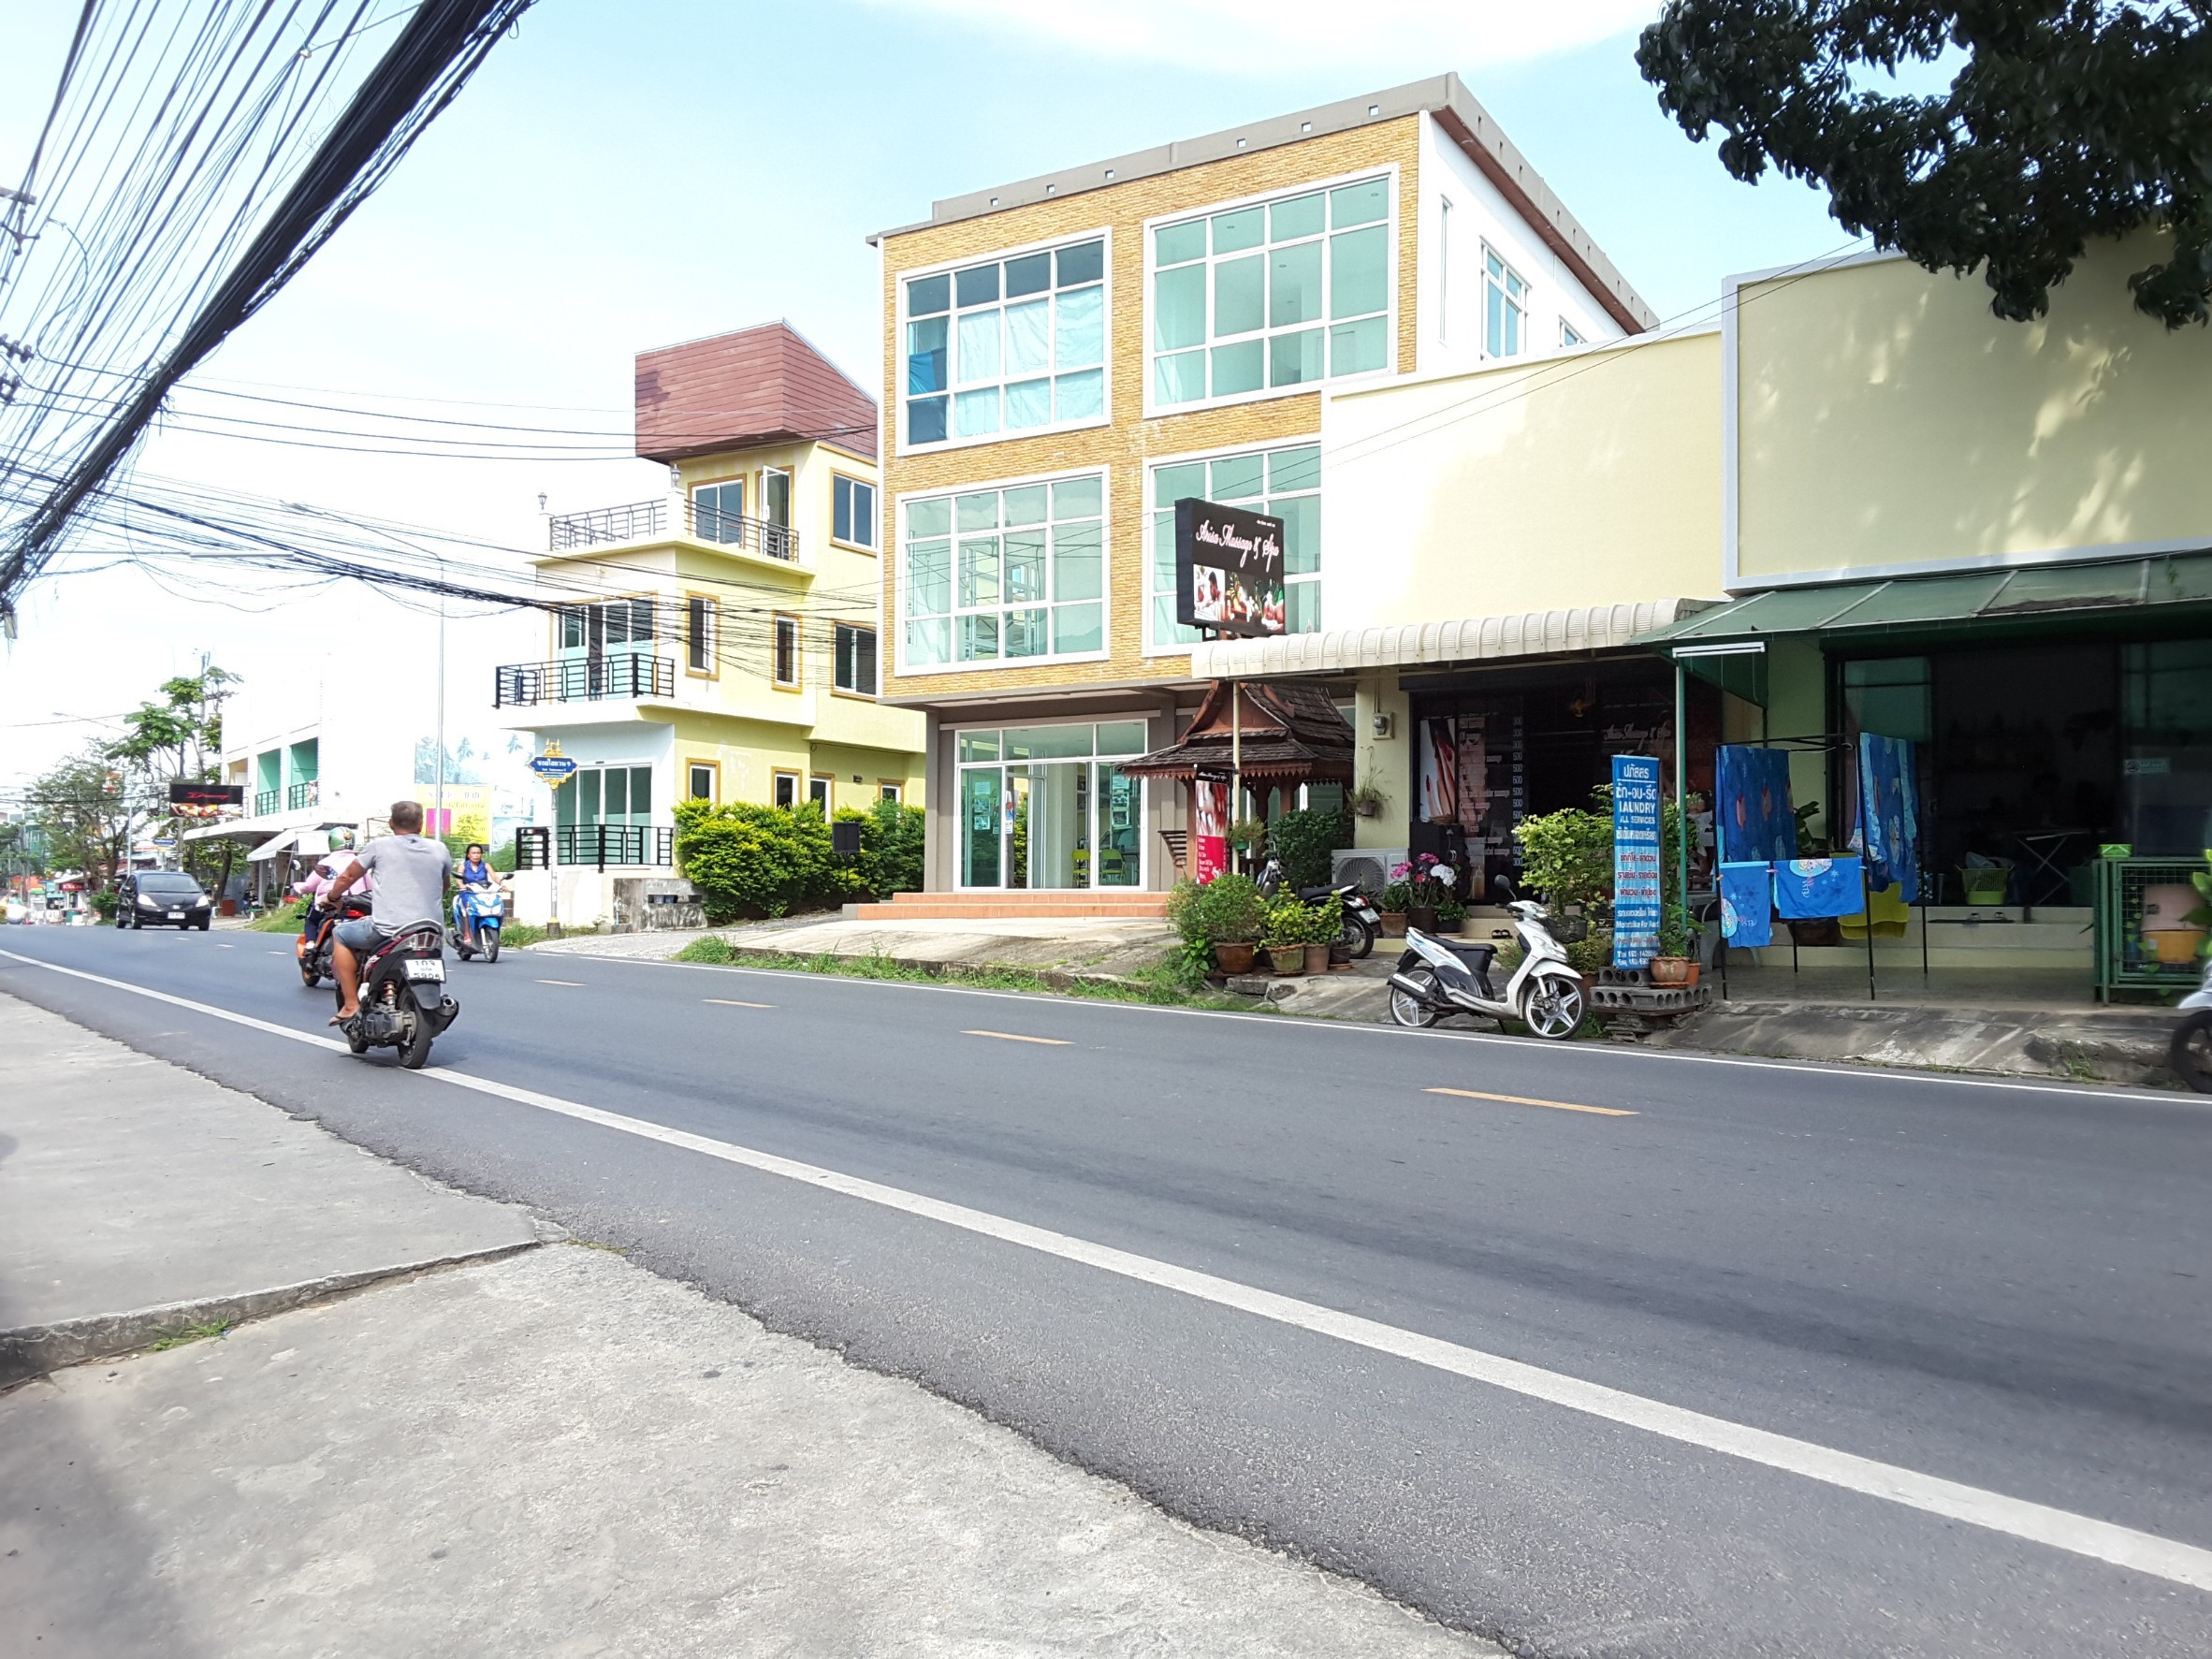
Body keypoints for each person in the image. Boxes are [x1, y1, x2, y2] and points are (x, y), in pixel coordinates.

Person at [321, 801, 453, 1024]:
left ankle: (351, 1004)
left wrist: (332, 897)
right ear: (421, 824)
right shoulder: (440, 849)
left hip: (388, 930)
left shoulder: (379, 846)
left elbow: (347, 877)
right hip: (431, 931)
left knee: (340, 934)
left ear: (391, 823)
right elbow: (444, 886)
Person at [450, 842, 503, 949]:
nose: (476, 855)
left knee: (497, 903)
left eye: (478, 853)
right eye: (473, 853)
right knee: (467, 908)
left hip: (484, 892)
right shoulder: (463, 866)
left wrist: (502, 884)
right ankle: (467, 934)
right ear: (468, 855)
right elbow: (459, 880)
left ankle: (495, 933)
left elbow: (494, 877)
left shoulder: (486, 865)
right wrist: (461, 886)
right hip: (468, 893)